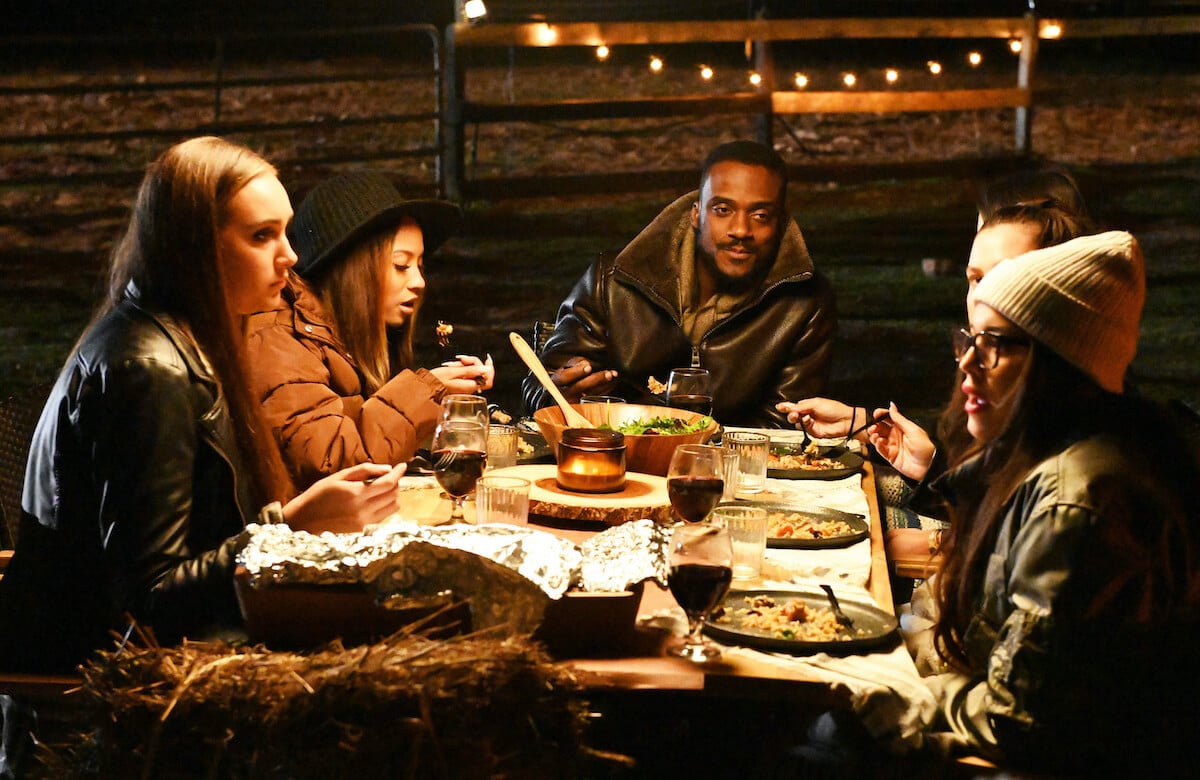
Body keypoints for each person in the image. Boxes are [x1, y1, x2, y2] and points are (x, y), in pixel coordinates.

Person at [0, 137, 405, 676]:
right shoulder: (147, 367)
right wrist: (289, 528)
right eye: (262, 236)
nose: (291, 256)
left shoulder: (196, 334)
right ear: (195, 247)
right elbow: (147, 603)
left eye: (285, 230)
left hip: (175, 664)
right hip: (87, 695)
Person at [894, 231, 1199, 773]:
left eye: (994, 345)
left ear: (1058, 363)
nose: (967, 365)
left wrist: (889, 699)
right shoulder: (1037, 460)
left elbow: (1019, 718)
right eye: (969, 340)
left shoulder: (1078, 498)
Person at [778, 201, 1091, 558]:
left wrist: (935, 547)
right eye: (976, 278)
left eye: (1005, 277)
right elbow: (989, 501)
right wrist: (917, 459)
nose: (984, 295)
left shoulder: (1077, 456)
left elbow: (1011, 552)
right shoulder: (1013, 395)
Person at [521, 140, 836, 428]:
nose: (741, 229)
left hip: (728, 477)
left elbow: (784, 428)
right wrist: (560, 395)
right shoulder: (614, 279)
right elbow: (539, 387)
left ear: (780, 224)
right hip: (617, 459)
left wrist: (694, 449)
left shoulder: (806, 304)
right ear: (696, 214)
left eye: (760, 215)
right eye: (723, 210)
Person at [246, 171, 494, 489]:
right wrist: (426, 390)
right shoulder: (278, 338)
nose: (418, 282)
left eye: (420, 266)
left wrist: (445, 395)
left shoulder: (342, 335)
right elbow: (333, 462)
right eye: (401, 265)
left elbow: (366, 423)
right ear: (354, 269)